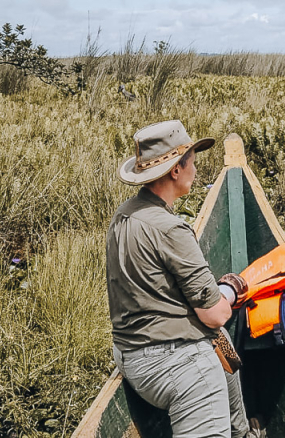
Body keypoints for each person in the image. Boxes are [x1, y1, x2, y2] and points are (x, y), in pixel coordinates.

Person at [106, 120, 254, 438]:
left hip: (129, 355)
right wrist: (228, 289)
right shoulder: (172, 229)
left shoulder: (123, 215)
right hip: (173, 365)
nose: (195, 169)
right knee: (214, 335)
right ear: (176, 170)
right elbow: (214, 313)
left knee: (219, 339)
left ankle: (241, 433)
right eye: (193, 161)